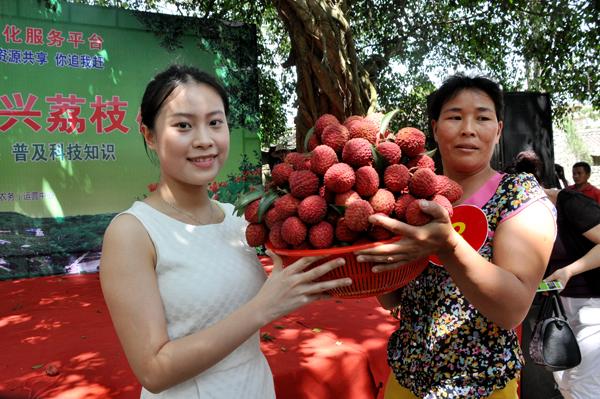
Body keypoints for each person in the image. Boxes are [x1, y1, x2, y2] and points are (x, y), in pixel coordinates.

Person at [99, 64, 352, 398]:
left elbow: (261, 302)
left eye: (215, 123)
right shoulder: (132, 232)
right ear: (149, 134)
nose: (204, 140)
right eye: (183, 125)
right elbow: (154, 370)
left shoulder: (237, 220)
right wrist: (263, 308)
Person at [355, 74, 557, 398]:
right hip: (405, 381)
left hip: (482, 388)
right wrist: (368, 246)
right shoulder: (409, 197)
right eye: (454, 116)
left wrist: (448, 246)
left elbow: (512, 310)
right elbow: (391, 298)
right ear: (435, 128)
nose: (468, 128)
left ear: (498, 130)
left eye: (482, 117)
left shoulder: (519, 195)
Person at [512, 152, 600, 399]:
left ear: (539, 188)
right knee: (564, 381)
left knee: (584, 386)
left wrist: (570, 270)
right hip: (559, 307)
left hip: (593, 306)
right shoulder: (524, 217)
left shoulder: (570, 202)